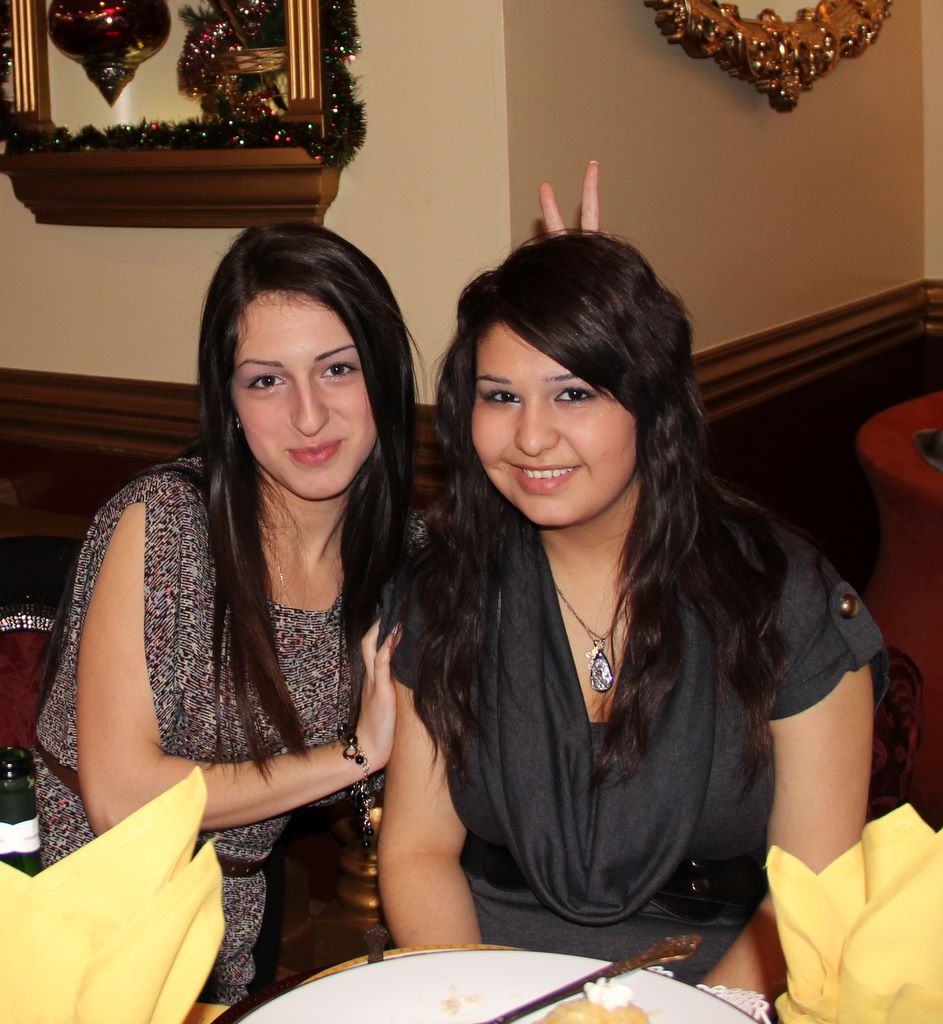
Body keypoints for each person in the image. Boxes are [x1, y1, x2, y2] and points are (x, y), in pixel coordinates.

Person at [377, 209, 885, 998]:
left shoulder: (782, 598)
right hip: (484, 966)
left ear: (650, 403)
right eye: (500, 396)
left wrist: (696, 1015)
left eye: (573, 393)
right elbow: (417, 851)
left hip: (723, 980)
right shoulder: (450, 587)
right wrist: (480, 1004)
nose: (531, 437)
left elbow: (812, 892)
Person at [34, 222, 412, 1003]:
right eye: (266, 381)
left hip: (224, 931)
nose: (309, 416)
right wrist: (356, 754)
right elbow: (120, 798)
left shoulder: (407, 551)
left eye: (337, 369)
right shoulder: (165, 525)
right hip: (74, 937)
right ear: (230, 402)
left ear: (384, 374)